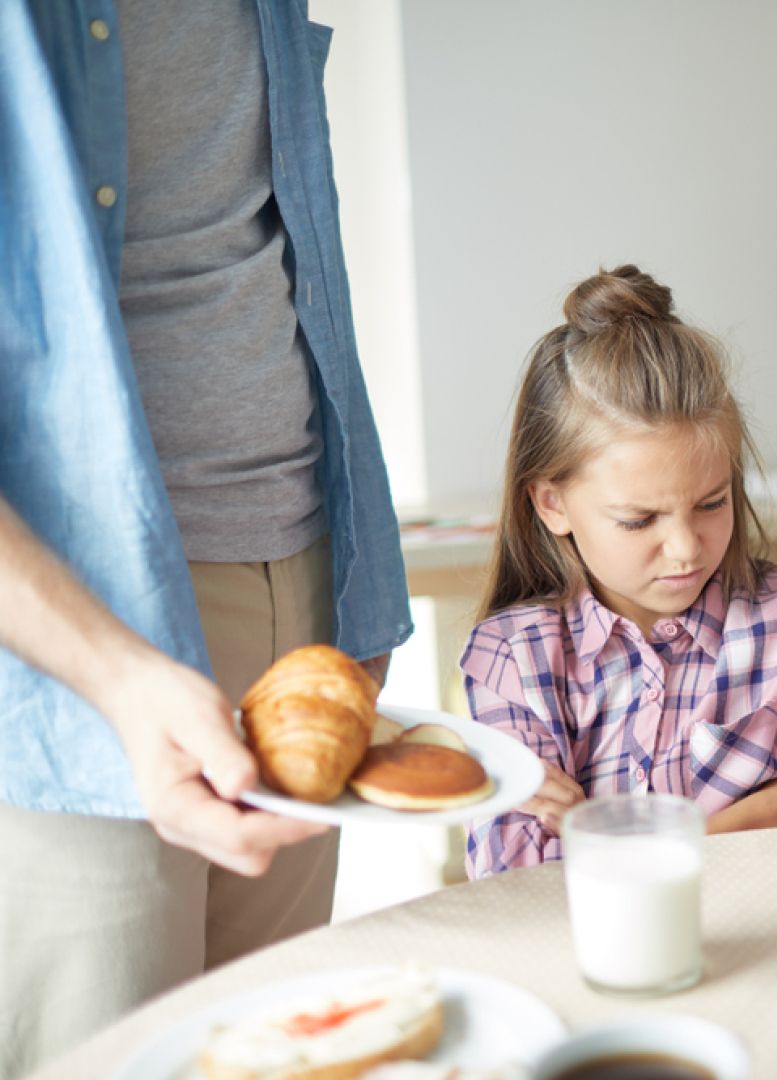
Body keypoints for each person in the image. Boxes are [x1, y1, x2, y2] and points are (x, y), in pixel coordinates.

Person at [0, 1, 413, 1072]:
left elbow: (277, 254)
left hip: (300, 585)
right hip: (72, 649)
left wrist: (350, 571)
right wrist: (121, 674)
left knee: (278, 1049)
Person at [462, 265, 777, 876]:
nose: (685, 549)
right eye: (638, 519)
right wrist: (772, 809)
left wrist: (599, 839)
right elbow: (515, 883)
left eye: (712, 503)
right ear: (552, 503)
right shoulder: (512, 658)